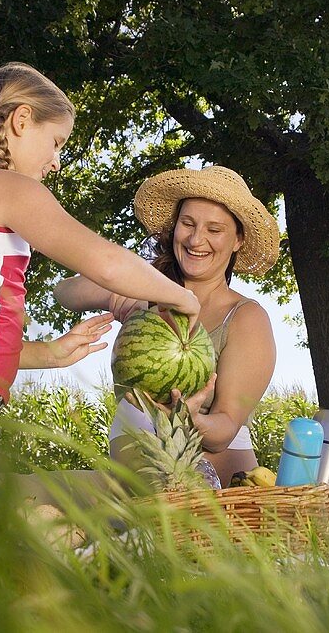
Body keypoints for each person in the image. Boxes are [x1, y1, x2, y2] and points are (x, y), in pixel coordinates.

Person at [0, 62, 200, 531]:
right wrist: (183, 299)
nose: (56, 162)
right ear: (21, 120)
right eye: (56, 142)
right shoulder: (2, 186)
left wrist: (49, 353)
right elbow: (104, 262)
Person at [54, 165, 280, 487]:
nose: (196, 239)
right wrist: (131, 292)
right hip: (136, 493)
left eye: (214, 230)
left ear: (237, 241)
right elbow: (65, 293)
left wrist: (188, 419)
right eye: (187, 223)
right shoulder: (147, 294)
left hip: (208, 499)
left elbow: (224, 430)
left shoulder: (245, 318)